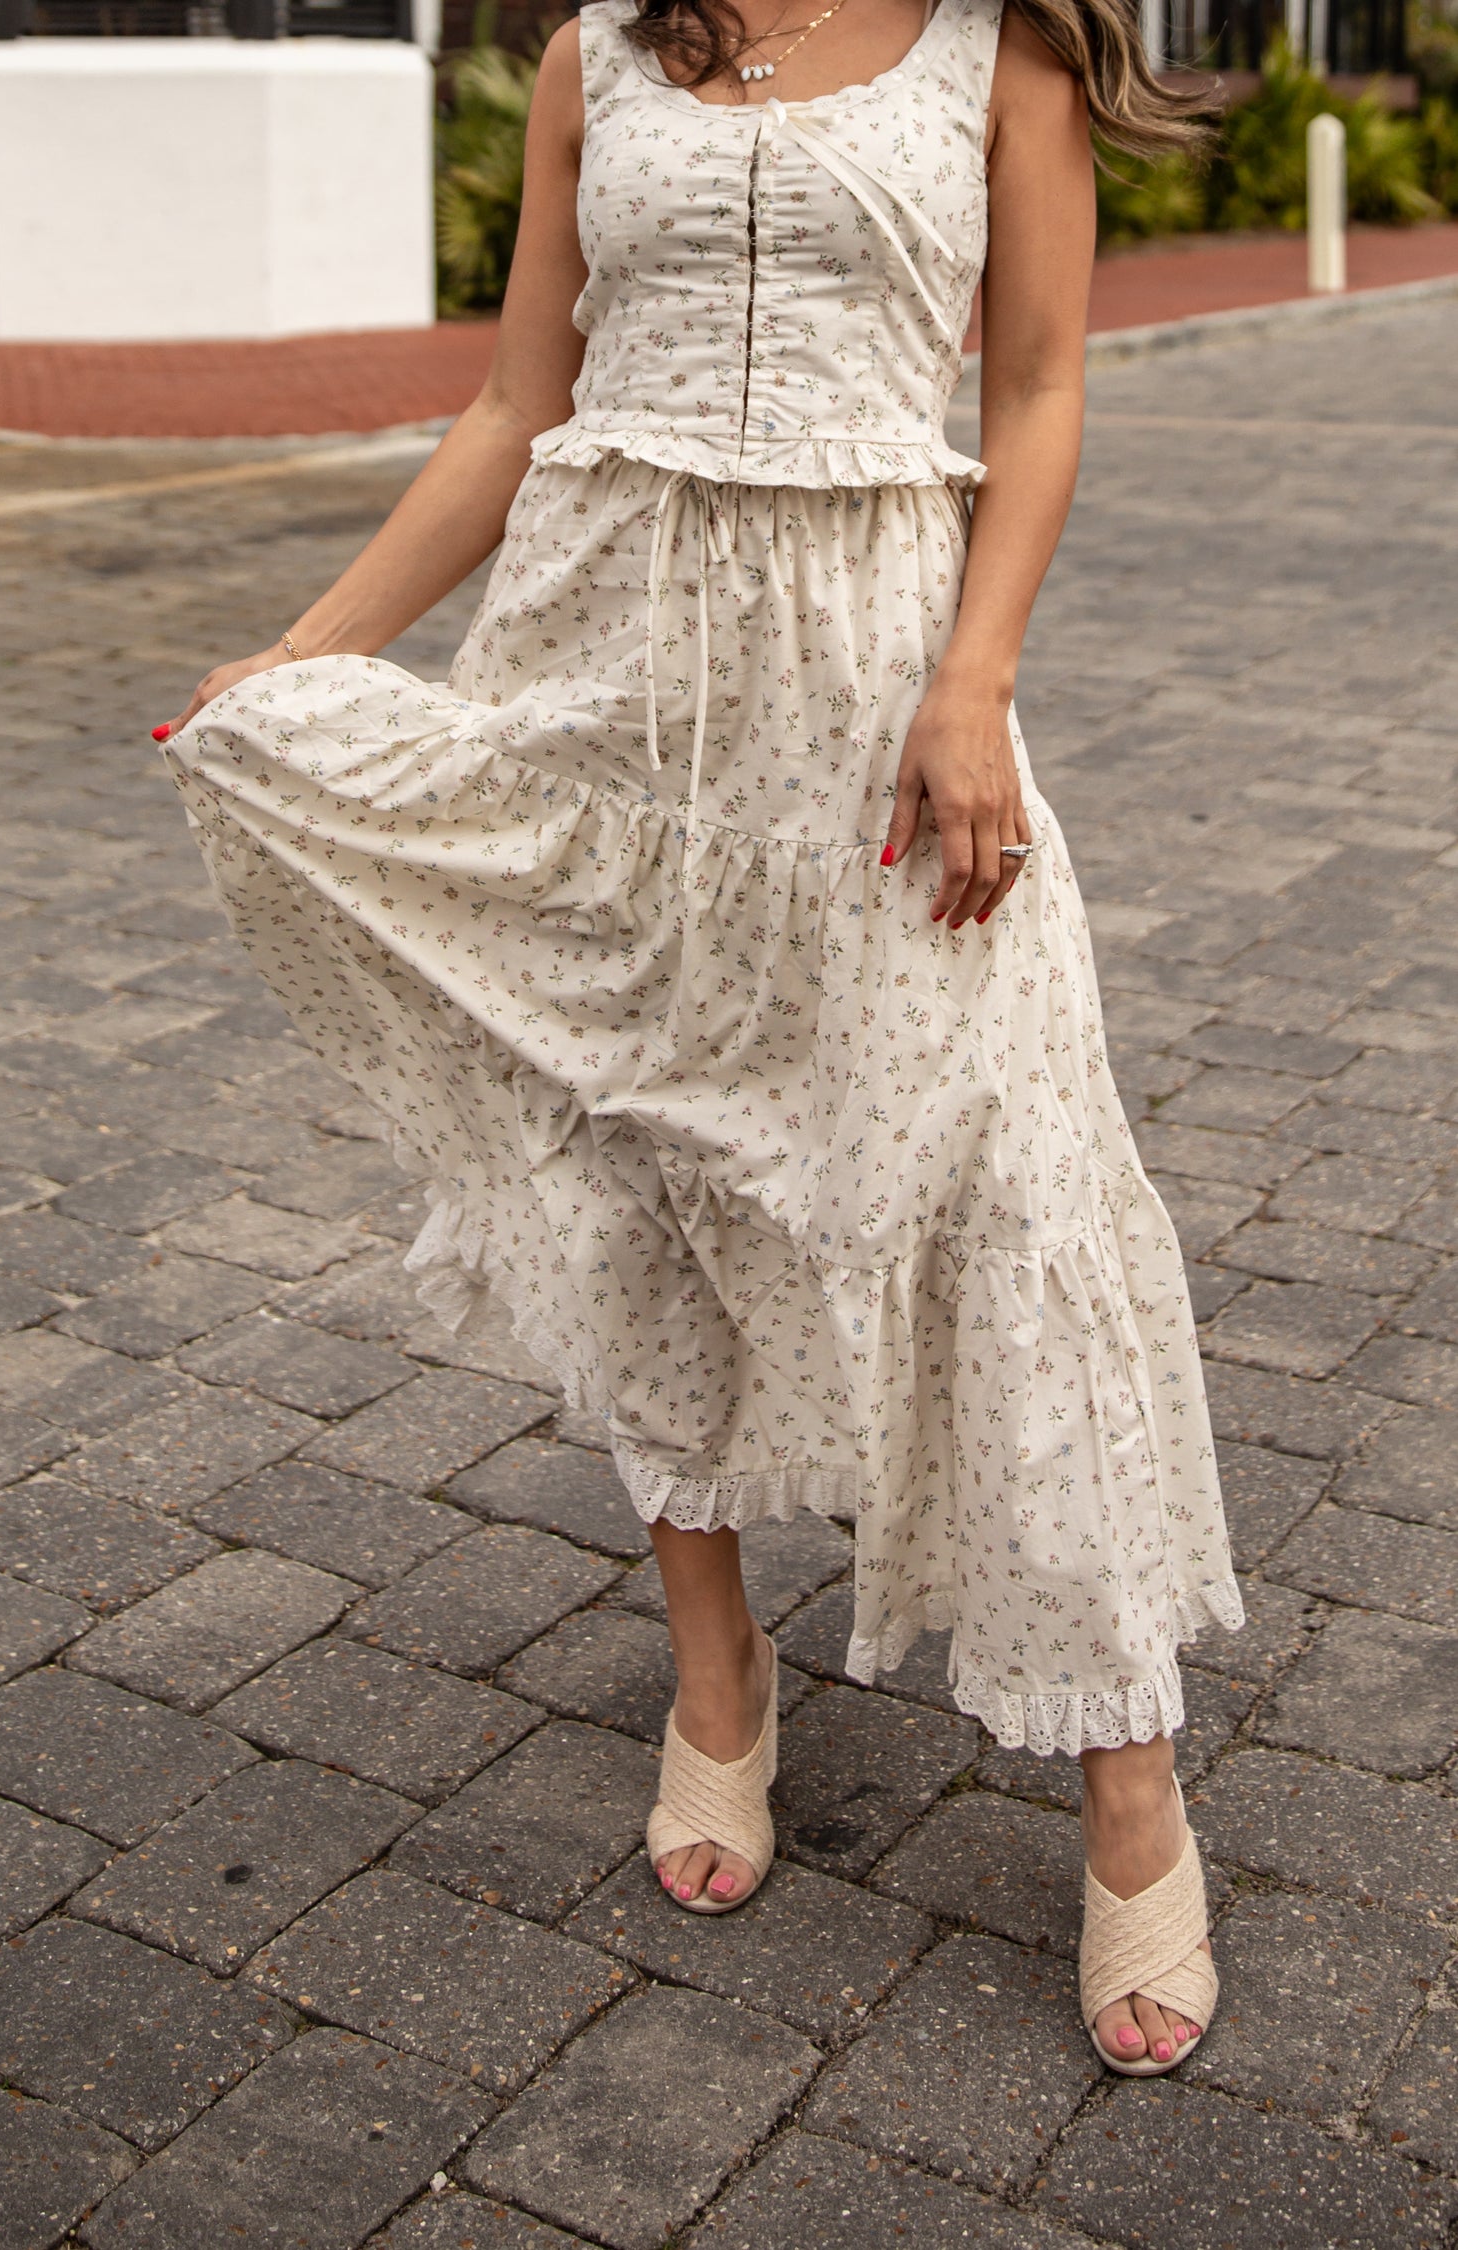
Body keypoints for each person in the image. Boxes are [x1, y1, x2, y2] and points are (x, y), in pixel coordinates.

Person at [156, 0, 1242, 2076]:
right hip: (607, 676)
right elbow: (508, 407)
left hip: (874, 687)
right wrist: (303, 656)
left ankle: (1126, 1781)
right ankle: (717, 1676)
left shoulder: (995, 54)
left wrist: (976, 683)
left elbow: (1035, 385)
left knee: (1006, 1181)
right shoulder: (595, 53)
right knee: (640, 1163)